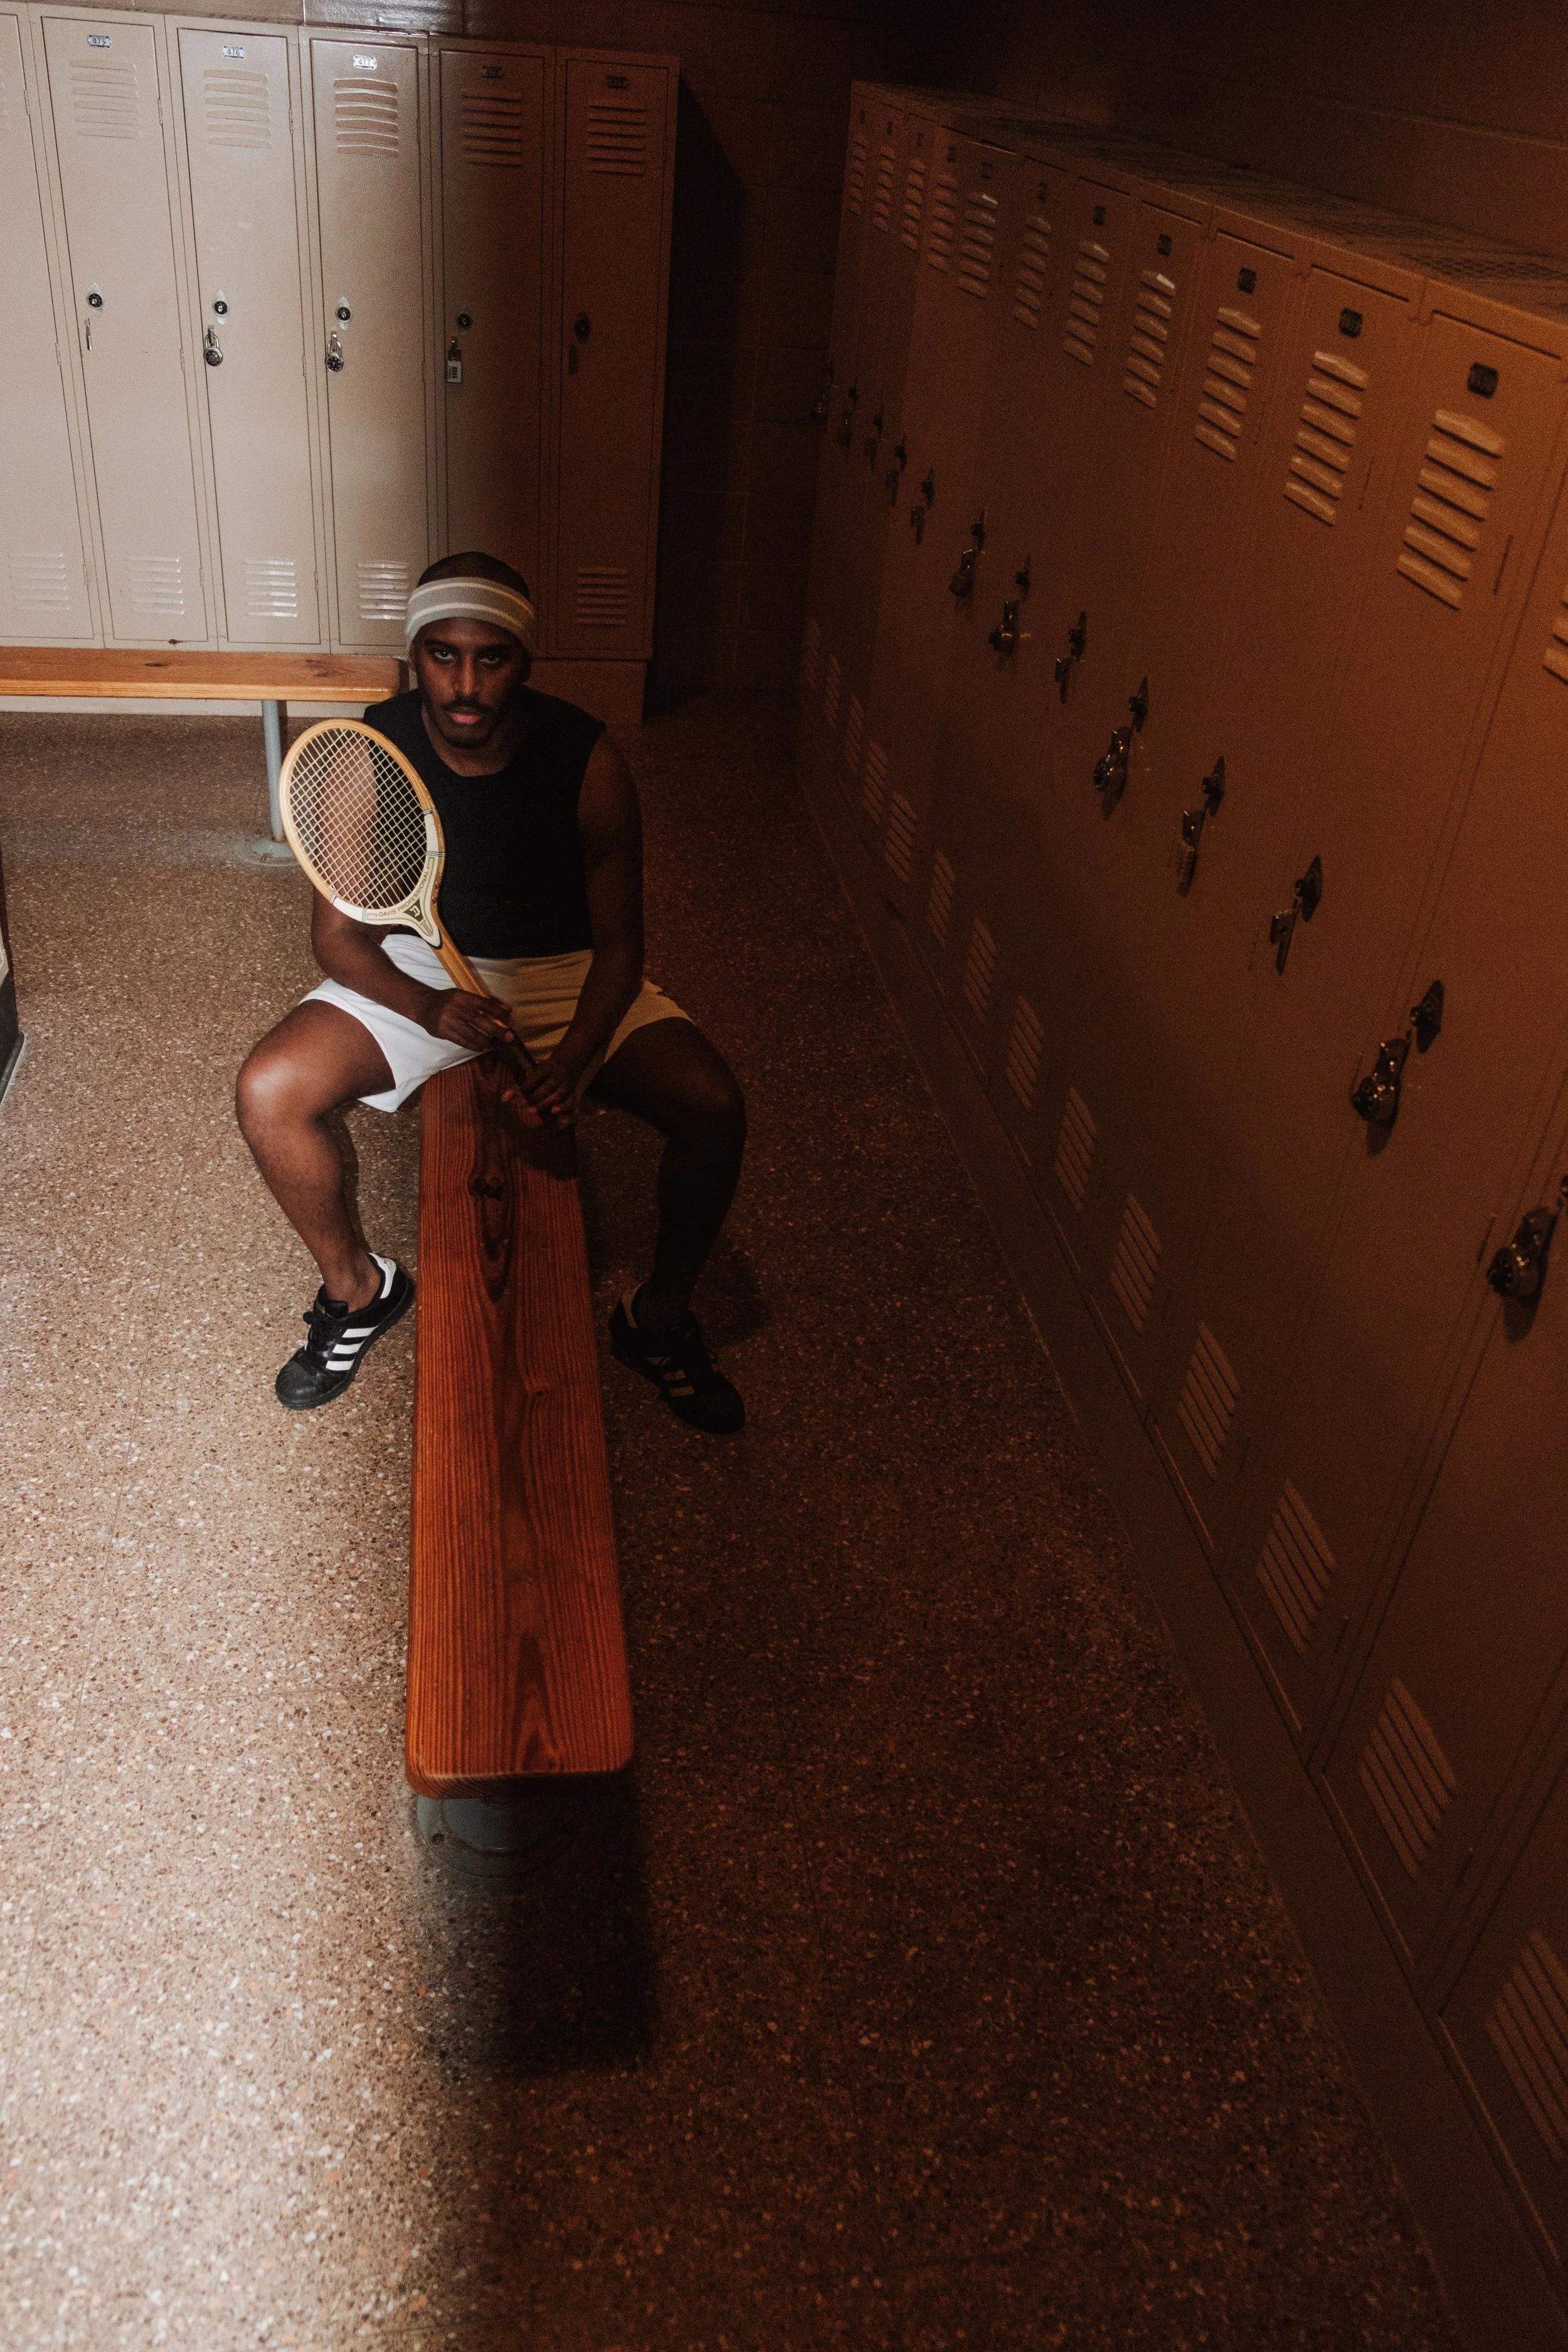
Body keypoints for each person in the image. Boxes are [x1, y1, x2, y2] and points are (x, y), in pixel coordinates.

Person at [235, 553, 747, 1434]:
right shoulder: (371, 753)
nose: (466, 684)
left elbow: (622, 949)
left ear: (527, 660)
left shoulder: (588, 761)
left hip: (565, 971)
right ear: (413, 658)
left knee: (713, 1106)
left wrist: (575, 1064)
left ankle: (657, 1319)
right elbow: (339, 939)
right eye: (442, 655)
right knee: (267, 1092)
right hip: (421, 967)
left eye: (492, 657)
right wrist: (429, 1007)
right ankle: (358, 1289)